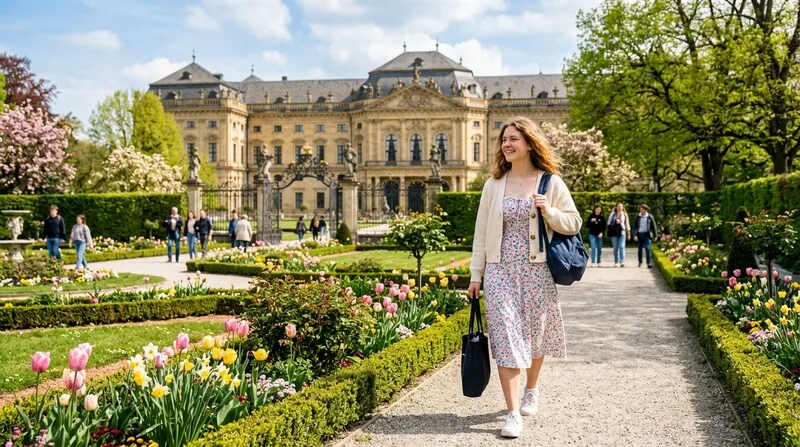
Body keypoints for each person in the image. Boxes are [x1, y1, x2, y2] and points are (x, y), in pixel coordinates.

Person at [468, 116, 581, 439]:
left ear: (530, 143)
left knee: (535, 336)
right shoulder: (493, 185)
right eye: (504, 139)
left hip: (536, 271)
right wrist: (477, 275)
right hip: (500, 270)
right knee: (505, 338)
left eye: (513, 139)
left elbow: (574, 222)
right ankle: (513, 412)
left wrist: (550, 212)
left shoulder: (550, 182)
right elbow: (480, 235)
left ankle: (532, 388)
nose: (506, 144)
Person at [633, 204, 659, 268]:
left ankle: (649, 263)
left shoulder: (650, 216)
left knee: (647, 248)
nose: (641, 210)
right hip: (639, 234)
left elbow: (654, 226)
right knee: (640, 249)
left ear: (646, 210)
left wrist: (656, 235)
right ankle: (640, 262)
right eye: (640, 209)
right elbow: (634, 227)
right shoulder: (638, 217)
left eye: (642, 209)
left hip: (647, 234)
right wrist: (634, 235)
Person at [607, 202, 631, 267]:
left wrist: (628, 233)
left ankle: (622, 261)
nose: (619, 208)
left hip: (622, 232)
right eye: (618, 206)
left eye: (621, 206)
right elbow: (608, 223)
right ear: (616, 207)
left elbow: (627, 224)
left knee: (621, 247)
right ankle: (616, 262)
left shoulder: (625, 214)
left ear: (623, 207)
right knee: (615, 248)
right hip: (614, 232)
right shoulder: (612, 214)